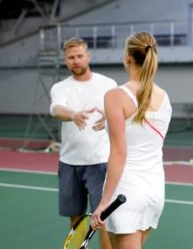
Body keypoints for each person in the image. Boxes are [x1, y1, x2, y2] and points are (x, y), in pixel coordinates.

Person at [92, 31, 172, 249]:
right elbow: (142, 131)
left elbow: (120, 152)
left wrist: (103, 202)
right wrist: (109, 121)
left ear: (127, 57)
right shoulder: (164, 97)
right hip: (155, 192)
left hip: (125, 194)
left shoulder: (115, 95)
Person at [50, 37, 117, 249]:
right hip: (70, 163)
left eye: (79, 56)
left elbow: (120, 113)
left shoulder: (108, 84)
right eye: (71, 57)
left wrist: (109, 119)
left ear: (88, 56)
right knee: (76, 221)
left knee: (103, 221)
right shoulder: (60, 88)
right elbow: (56, 109)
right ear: (65, 60)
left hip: (100, 163)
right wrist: (74, 114)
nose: (76, 60)